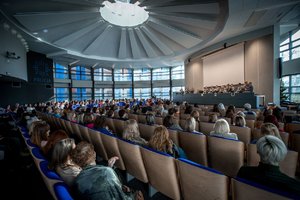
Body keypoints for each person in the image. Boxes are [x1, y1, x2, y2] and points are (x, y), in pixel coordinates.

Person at [71, 141, 143, 200]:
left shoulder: (77, 181)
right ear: (94, 155)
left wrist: (109, 168)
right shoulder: (106, 172)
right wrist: (133, 195)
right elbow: (121, 197)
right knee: (139, 194)